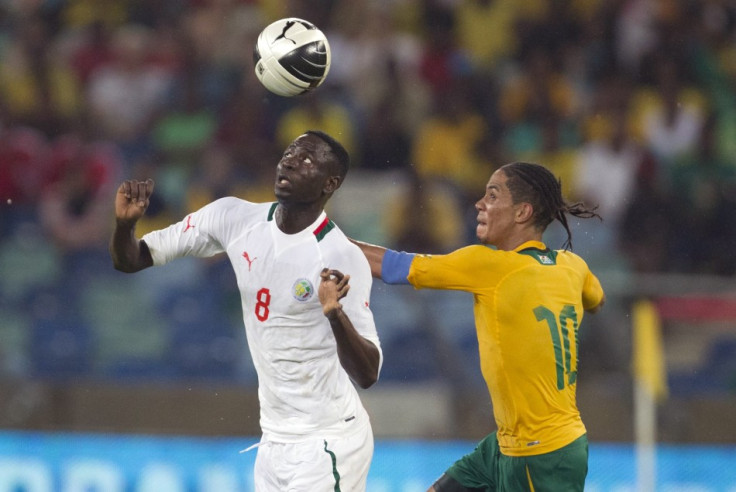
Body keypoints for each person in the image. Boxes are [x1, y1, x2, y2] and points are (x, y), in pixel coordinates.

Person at [110, 130, 382, 492]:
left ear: (329, 183)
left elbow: (368, 372)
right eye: (289, 152)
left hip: (328, 442)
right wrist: (125, 226)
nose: (289, 161)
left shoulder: (341, 257)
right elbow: (132, 259)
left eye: (306, 160)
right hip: (273, 442)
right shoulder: (235, 218)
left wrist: (335, 314)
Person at [352, 162, 605, 492]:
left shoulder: (489, 265)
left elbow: (393, 266)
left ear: (522, 212)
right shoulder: (574, 266)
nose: (479, 204)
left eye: (493, 195)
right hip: (509, 444)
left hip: (540, 455)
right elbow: (596, 299)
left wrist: (319, 239)